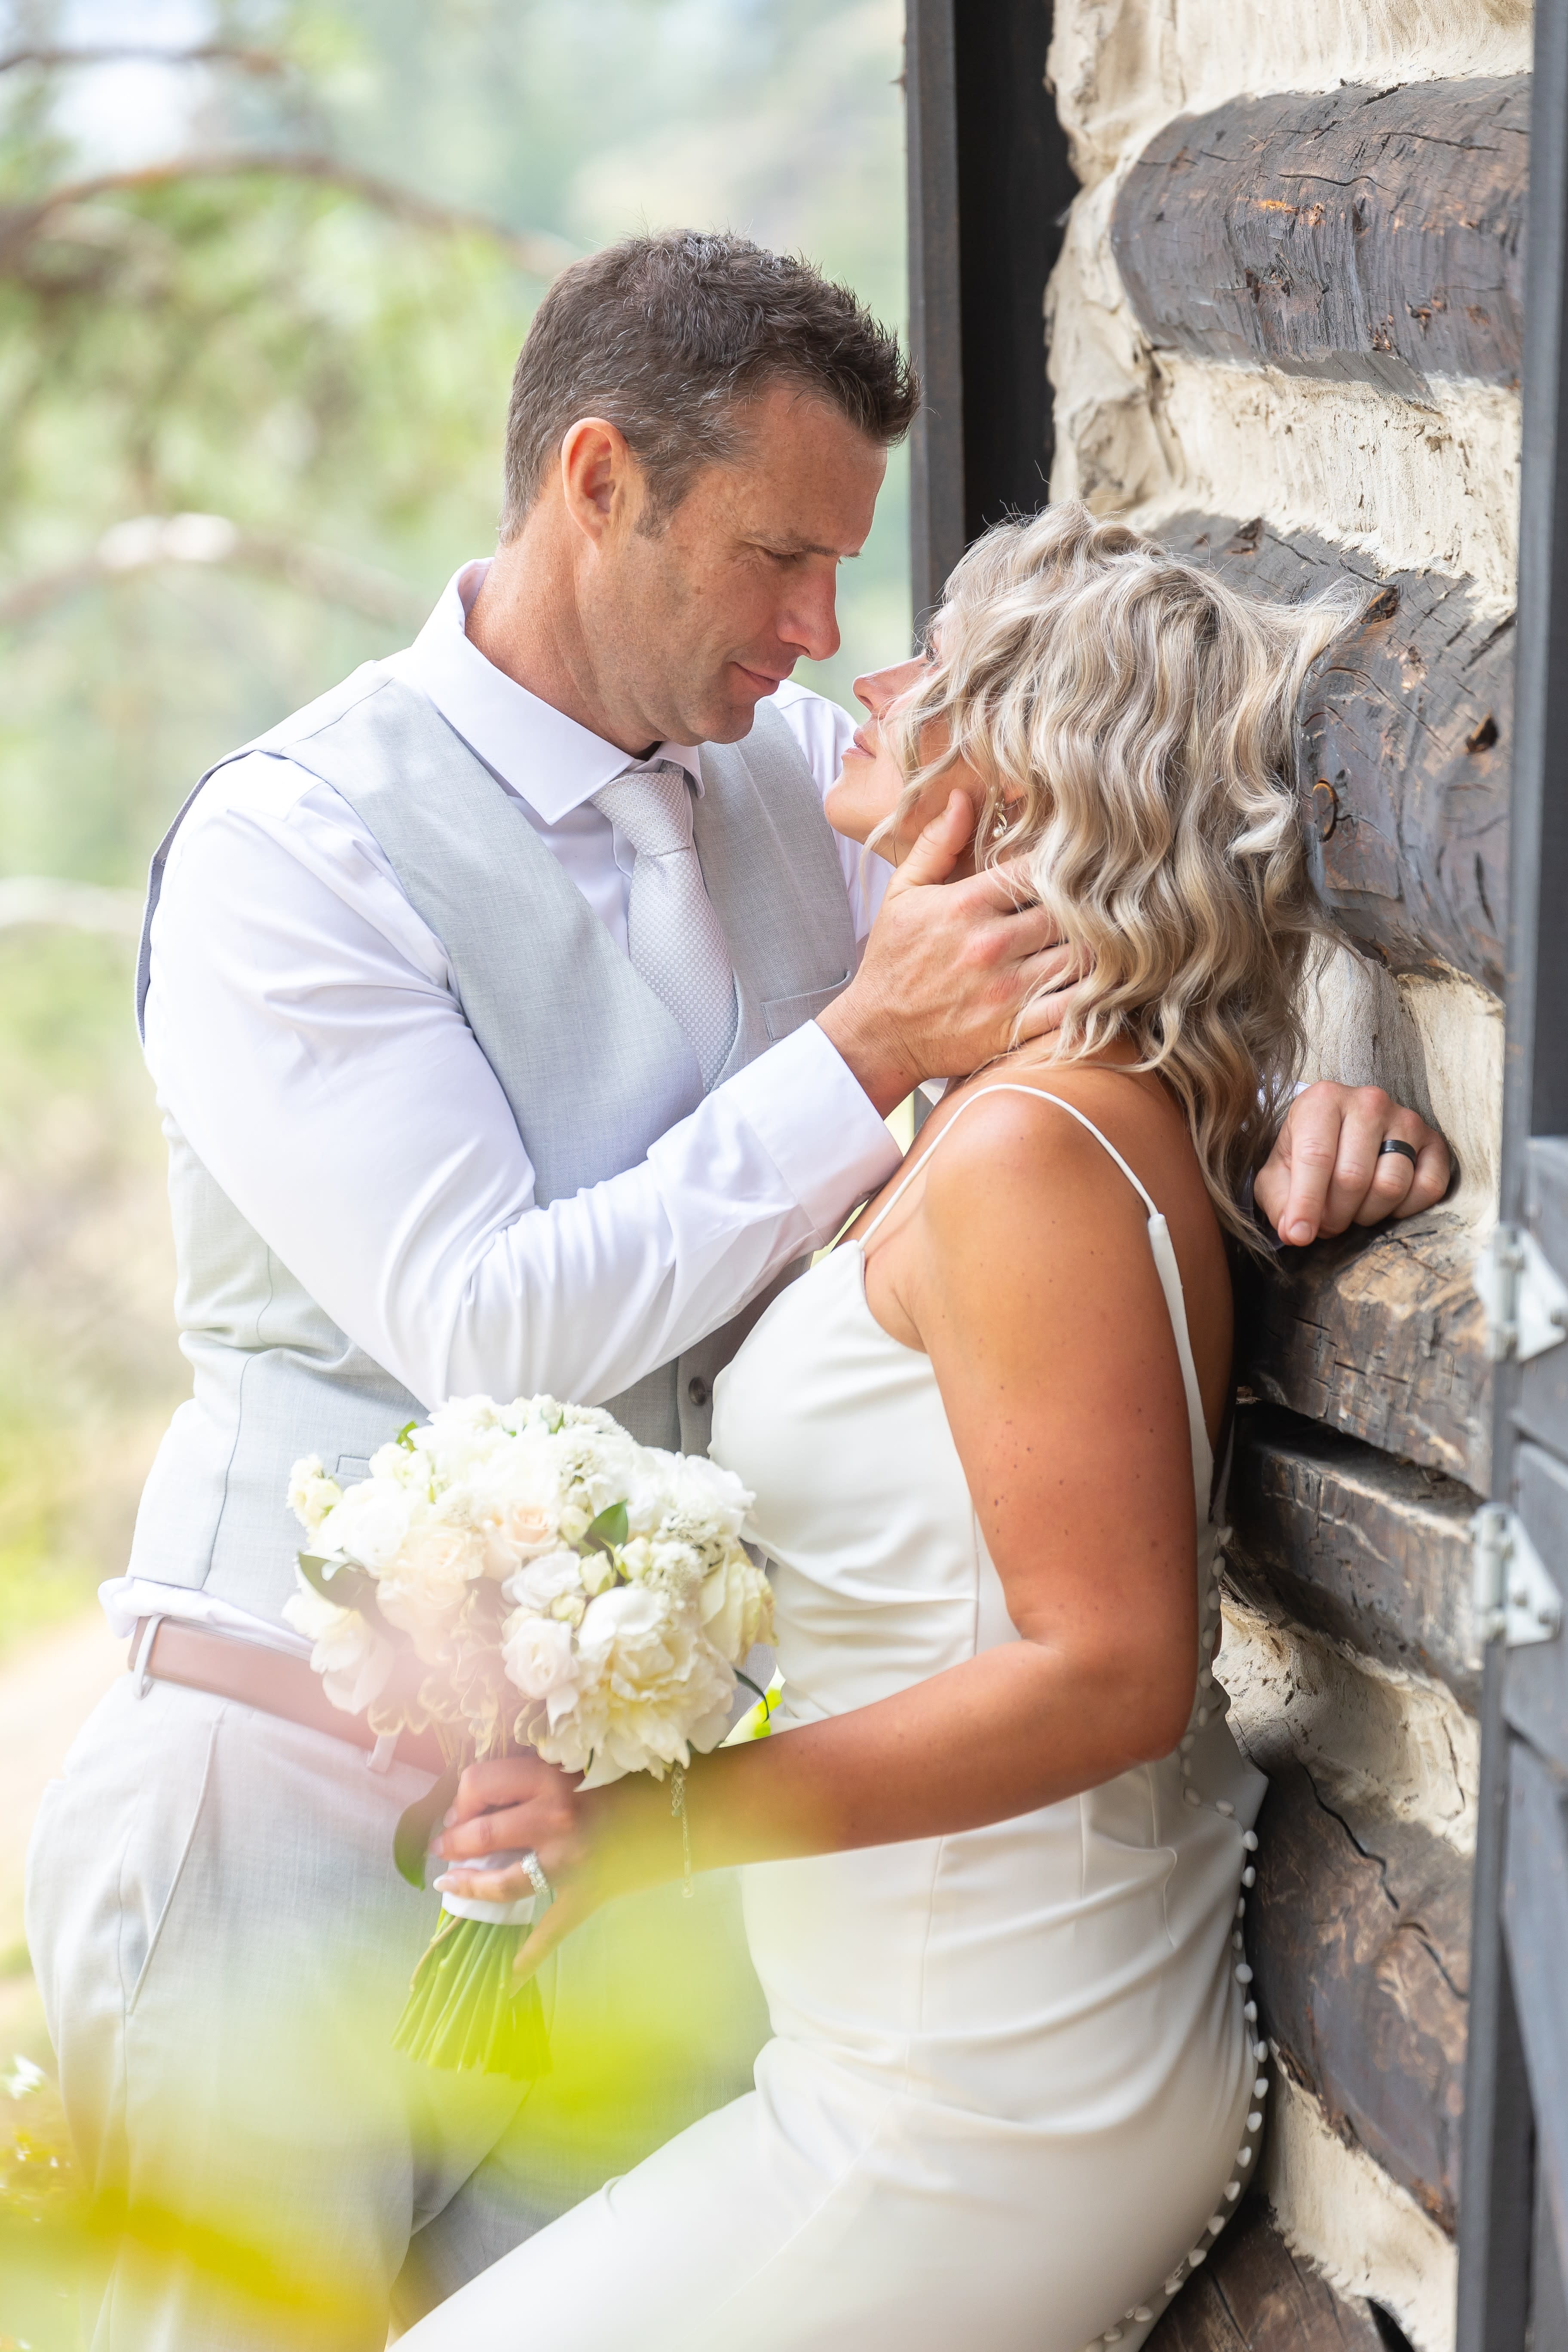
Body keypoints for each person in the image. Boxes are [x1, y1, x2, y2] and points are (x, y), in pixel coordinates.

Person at [26, 235, 1446, 2352]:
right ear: (597, 481)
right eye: (781, 556)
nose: (818, 631)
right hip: (282, 1820)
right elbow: (489, 1329)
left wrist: (1318, 1114)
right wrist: (857, 1053)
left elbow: (1094, 962)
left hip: (645, 1875)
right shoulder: (291, 850)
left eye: (841, 571)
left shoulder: (795, 787)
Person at [407, 500, 1373, 2352]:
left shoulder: (1033, 1155)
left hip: (984, 2096)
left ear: (1029, 779)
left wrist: (659, 1831)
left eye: (939, 667)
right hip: (906, 2057)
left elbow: (1112, 1670)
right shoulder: (1016, 1119)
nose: (870, 672)